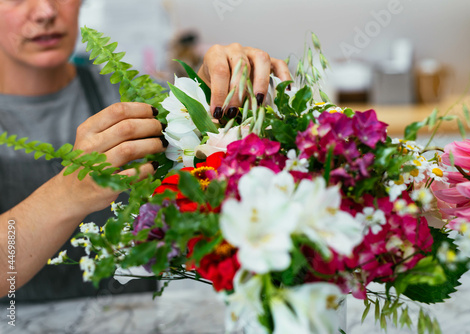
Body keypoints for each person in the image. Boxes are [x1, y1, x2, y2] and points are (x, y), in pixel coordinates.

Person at [0, 0, 291, 300]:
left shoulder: (135, 96)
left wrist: (215, 92)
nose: (46, 11)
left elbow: (208, 137)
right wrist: (67, 193)